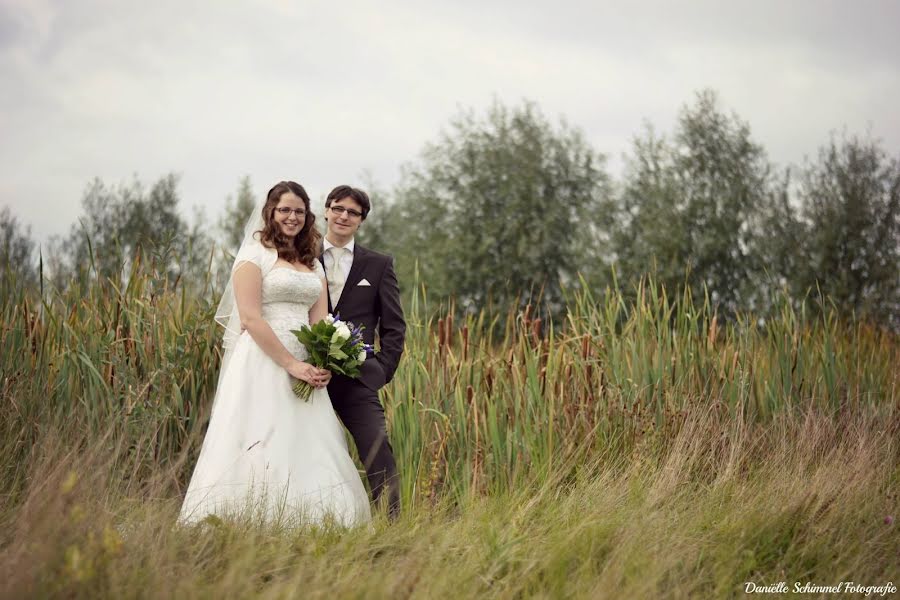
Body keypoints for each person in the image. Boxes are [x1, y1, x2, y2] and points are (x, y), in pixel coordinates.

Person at [179, 181, 370, 526]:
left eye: (299, 211)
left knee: (306, 439)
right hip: (263, 360)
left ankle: (313, 518)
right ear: (270, 212)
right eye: (284, 210)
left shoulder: (311, 262)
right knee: (261, 435)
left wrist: (321, 362)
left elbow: (320, 319)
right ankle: (246, 518)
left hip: (305, 364)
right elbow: (251, 318)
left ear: (307, 215)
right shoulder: (254, 256)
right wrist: (291, 364)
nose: (292, 217)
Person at [319, 185, 405, 519]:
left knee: (376, 446)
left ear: (361, 220)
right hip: (305, 374)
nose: (344, 216)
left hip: (358, 378)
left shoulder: (379, 264)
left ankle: (393, 524)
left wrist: (381, 370)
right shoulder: (300, 256)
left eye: (353, 212)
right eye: (338, 208)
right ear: (326, 210)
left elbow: (394, 325)